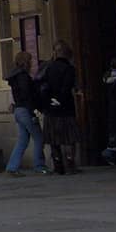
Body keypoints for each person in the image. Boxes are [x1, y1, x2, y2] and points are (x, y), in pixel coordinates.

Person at [4, 52, 48, 175]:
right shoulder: (23, 76)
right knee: (39, 138)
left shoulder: (14, 76)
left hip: (18, 110)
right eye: (30, 60)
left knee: (23, 139)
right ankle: (39, 165)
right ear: (26, 62)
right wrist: (33, 111)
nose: (31, 63)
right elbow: (27, 94)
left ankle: (12, 167)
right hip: (26, 109)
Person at [38, 42, 79, 173]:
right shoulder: (69, 69)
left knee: (54, 140)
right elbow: (67, 87)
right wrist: (60, 100)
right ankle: (70, 165)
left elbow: (43, 87)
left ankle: (58, 165)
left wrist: (48, 102)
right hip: (65, 107)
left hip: (50, 108)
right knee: (68, 139)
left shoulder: (48, 68)